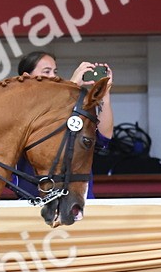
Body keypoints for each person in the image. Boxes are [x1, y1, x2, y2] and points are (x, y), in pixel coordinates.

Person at [14, 51, 114, 198]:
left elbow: (104, 137)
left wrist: (104, 94)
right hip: (35, 201)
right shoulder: (19, 108)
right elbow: (48, 132)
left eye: (55, 71)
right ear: (27, 77)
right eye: (46, 71)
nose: (53, 76)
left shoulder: (74, 100)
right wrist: (70, 86)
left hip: (77, 202)